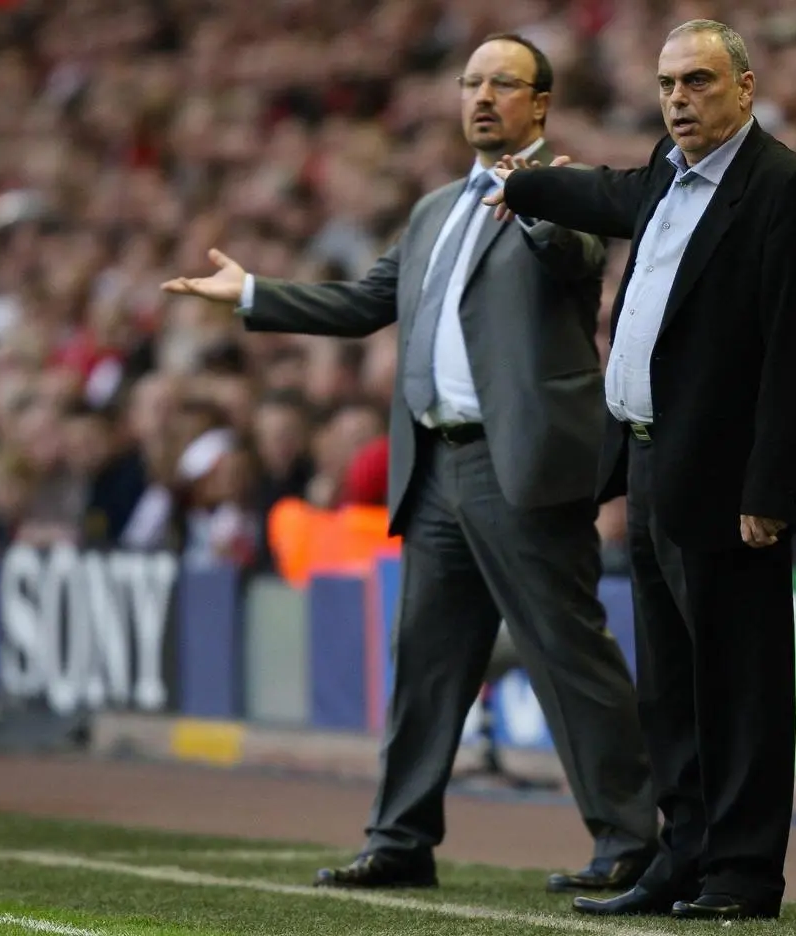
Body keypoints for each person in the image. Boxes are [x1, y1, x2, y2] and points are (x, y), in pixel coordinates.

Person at [161, 33, 657, 894]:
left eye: (503, 84)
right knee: (427, 660)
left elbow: (576, 258)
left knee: (564, 650)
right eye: (470, 83)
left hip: (523, 466)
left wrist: (534, 197)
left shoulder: (563, 189)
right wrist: (249, 294)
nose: (481, 97)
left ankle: (629, 839)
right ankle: (399, 839)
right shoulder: (433, 209)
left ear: (539, 104)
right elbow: (363, 304)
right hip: (435, 465)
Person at [486, 18, 796, 922]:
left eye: (698, 82)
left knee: (742, 686)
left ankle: (744, 873)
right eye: (668, 85)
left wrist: (770, 491)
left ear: (746, 88)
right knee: (673, 686)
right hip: (650, 465)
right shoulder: (664, 171)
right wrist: (529, 188)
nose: (679, 99)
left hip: (729, 487)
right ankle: (681, 858)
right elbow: (609, 196)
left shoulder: (786, 189)